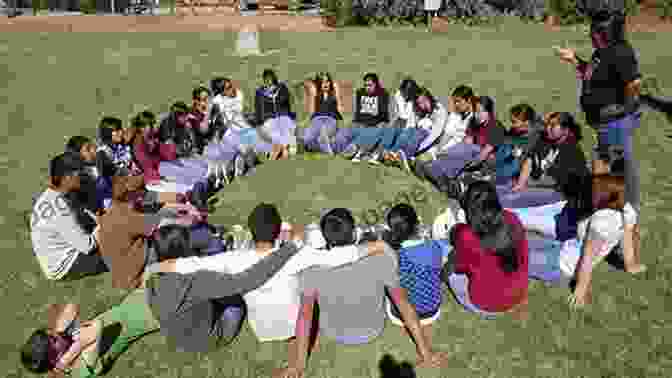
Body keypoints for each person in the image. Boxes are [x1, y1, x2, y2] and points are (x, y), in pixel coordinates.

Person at [144, 205, 387, 345]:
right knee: (309, 273)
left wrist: (160, 267)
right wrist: (373, 247)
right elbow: (335, 257)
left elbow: (197, 263)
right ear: (277, 230)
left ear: (251, 232)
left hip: (262, 330)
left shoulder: (234, 259)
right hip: (294, 326)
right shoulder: (297, 255)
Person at [274, 210, 449, 378]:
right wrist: (426, 352)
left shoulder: (310, 269)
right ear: (353, 234)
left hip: (334, 331)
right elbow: (403, 304)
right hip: (373, 329)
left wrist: (298, 365)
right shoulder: (380, 259)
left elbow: (305, 316)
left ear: (325, 237)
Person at [144, 222, 307, 353]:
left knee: (217, 262)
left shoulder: (153, 275)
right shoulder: (195, 280)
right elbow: (249, 279)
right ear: (185, 247)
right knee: (242, 297)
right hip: (209, 337)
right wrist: (291, 247)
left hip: (178, 337)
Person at [510, 173, 645, 308]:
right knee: (517, 243)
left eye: (595, 193)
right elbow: (627, 237)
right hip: (562, 246)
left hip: (560, 264)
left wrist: (580, 290)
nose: (591, 195)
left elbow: (588, 257)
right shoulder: (627, 210)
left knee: (512, 257)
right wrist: (630, 264)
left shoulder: (601, 223)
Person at [555, 9, 641, 213]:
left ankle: (625, 210)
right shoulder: (601, 53)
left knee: (616, 165)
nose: (590, 34)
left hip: (615, 121)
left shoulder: (621, 52)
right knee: (606, 163)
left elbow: (634, 83)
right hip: (605, 123)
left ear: (605, 32)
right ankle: (608, 208)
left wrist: (623, 109)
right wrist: (574, 59)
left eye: (593, 31)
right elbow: (590, 74)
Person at [443, 181, 529, 318]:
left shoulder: (468, 237)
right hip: (519, 291)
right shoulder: (512, 218)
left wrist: (444, 272)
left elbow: (456, 267)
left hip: (488, 303)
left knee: (442, 250)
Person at [30, 153, 107, 281]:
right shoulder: (60, 209)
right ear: (67, 178)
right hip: (65, 265)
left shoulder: (50, 195)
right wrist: (102, 225)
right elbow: (88, 245)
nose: (83, 176)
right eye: (79, 173)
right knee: (119, 250)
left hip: (55, 256)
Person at [382, 204, 452, 343]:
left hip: (400, 315)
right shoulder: (435, 246)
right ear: (418, 223)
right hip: (432, 310)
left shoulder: (393, 256)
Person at [502, 112, 588, 208]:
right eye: (547, 125)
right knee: (507, 189)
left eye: (553, 126)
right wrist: (520, 184)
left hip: (560, 194)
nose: (548, 129)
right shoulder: (543, 141)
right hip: (539, 187)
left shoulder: (572, 150)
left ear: (565, 130)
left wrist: (529, 186)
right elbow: (530, 161)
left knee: (512, 199)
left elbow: (557, 182)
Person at [96, 117, 142, 210]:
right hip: (114, 197)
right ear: (107, 133)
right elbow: (107, 180)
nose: (121, 132)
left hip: (132, 188)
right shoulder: (102, 154)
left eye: (121, 129)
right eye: (117, 130)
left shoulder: (122, 145)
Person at [254, 69, 297, 160]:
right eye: (267, 80)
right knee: (274, 132)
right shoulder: (259, 92)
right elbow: (258, 109)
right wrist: (258, 123)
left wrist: (276, 93)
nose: (269, 82)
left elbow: (287, 102)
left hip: (283, 116)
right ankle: (282, 149)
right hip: (268, 118)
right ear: (264, 80)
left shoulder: (282, 88)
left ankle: (282, 149)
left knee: (286, 128)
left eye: (271, 79)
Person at [301, 72, 345, 154]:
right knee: (307, 139)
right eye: (322, 82)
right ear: (319, 84)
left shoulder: (333, 93)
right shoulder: (316, 93)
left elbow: (340, 108)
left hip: (330, 119)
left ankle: (329, 151)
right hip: (317, 119)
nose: (325, 84)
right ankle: (326, 146)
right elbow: (312, 110)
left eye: (327, 81)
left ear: (330, 83)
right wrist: (312, 95)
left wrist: (337, 91)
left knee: (322, 136)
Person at [65, 136, 101, 214]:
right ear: (77, 156)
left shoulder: (97, 164)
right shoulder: (78, 179)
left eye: (92, 146)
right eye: (88, 149)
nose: (93, 150)